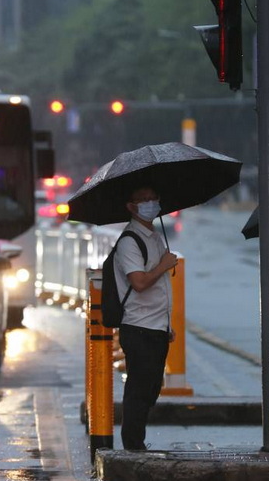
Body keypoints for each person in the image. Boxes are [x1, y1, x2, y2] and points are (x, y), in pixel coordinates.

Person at [114, 186, 179, 450]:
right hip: (138, 326)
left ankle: (135, 442)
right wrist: (164, 265)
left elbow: (160, 286)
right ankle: (132, 446)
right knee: (139, 390)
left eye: (154, 198)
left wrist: (166, 323)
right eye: (143, 200)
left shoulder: (155, 236)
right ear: (131, 206)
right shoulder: (129, 241)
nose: (150, 203)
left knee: (151, 388)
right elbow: (139, 282)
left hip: (156, 326)